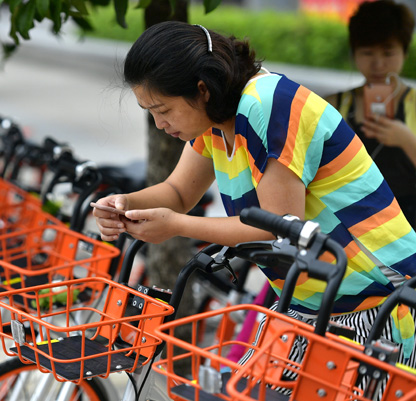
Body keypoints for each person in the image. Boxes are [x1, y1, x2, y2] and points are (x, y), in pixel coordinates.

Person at [92, 21, 416, 370]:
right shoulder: (214, 120)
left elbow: (280, 228)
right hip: (314, 304)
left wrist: (176, 226)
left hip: (383, 303)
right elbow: (178, 192)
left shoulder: (268, 104)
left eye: (164, 110)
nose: (160, 125)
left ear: (202, 90)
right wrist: (125, 203)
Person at [326, 0, 416, 228]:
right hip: (351, 224)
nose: (378, 64)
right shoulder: (333, 106)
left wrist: (406, 140)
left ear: (404, 52)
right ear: (354, 53)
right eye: (367, 52)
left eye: (388, 52)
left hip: (409, 224)